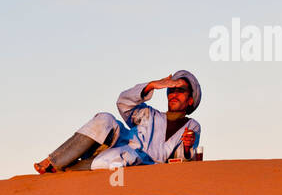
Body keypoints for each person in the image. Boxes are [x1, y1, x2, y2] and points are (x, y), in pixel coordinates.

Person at [34, 70, 202, 173]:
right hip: (117, 142)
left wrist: (187, 147)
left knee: (122, 158)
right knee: (105, 118)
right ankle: (54, 161)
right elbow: (123, 103)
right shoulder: (149, 114)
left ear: (190, 101)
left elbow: (182, 163)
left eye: (180, 91)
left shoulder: (191, 126)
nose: (173, 94)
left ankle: (67, 169)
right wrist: (151, 86)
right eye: (171, 90)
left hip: (137, 162)